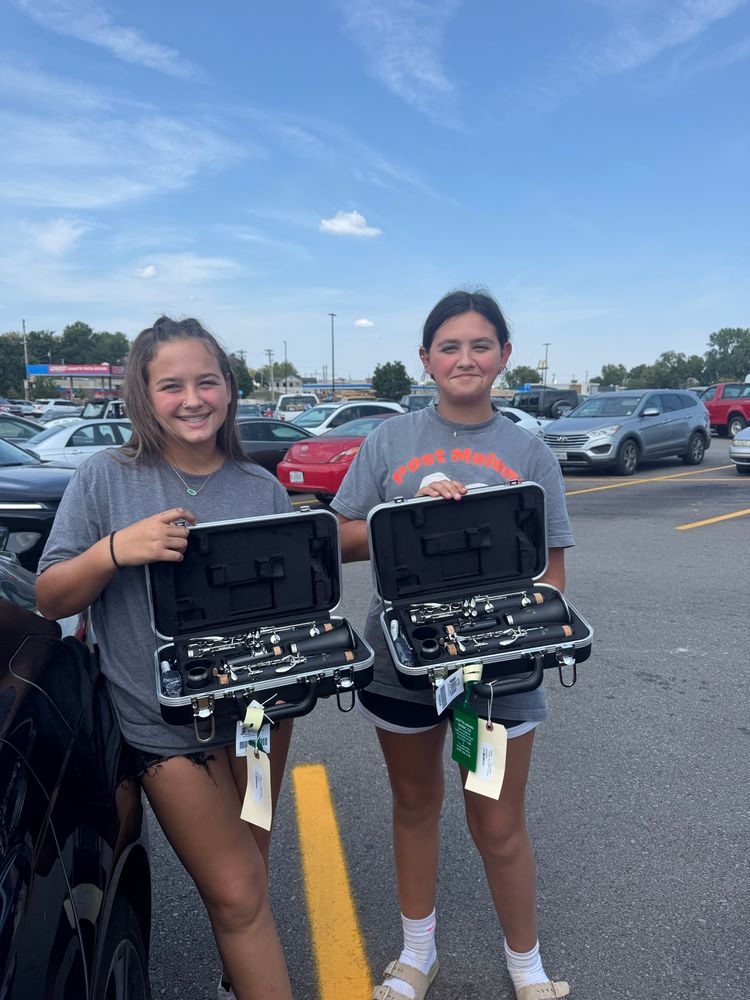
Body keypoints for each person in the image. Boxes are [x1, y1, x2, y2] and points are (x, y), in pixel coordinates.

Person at [36, 317, 294, 1000]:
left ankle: (236, 980)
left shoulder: (259, 487)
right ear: (143, 397)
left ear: (230, 389)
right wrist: (116, 549)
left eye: (206, 381)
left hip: (258, 720)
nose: (192, 398)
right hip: (162, 724)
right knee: (239, 891)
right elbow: (49, 595)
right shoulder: (106, 479)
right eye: (171, 385)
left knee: (249, 875)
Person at [332, 290, 575, 1000]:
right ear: (425, 360)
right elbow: (343, 536)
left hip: (496, 672)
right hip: (404, 661)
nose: (464, 358)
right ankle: (416, 954)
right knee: (413, 804)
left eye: (479, 345)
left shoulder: (528, 449)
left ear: (504, 355)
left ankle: (526, 966)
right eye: (449, 346)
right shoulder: (389, 441)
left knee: (496, 820)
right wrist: (402, 513)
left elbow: (551, 571)